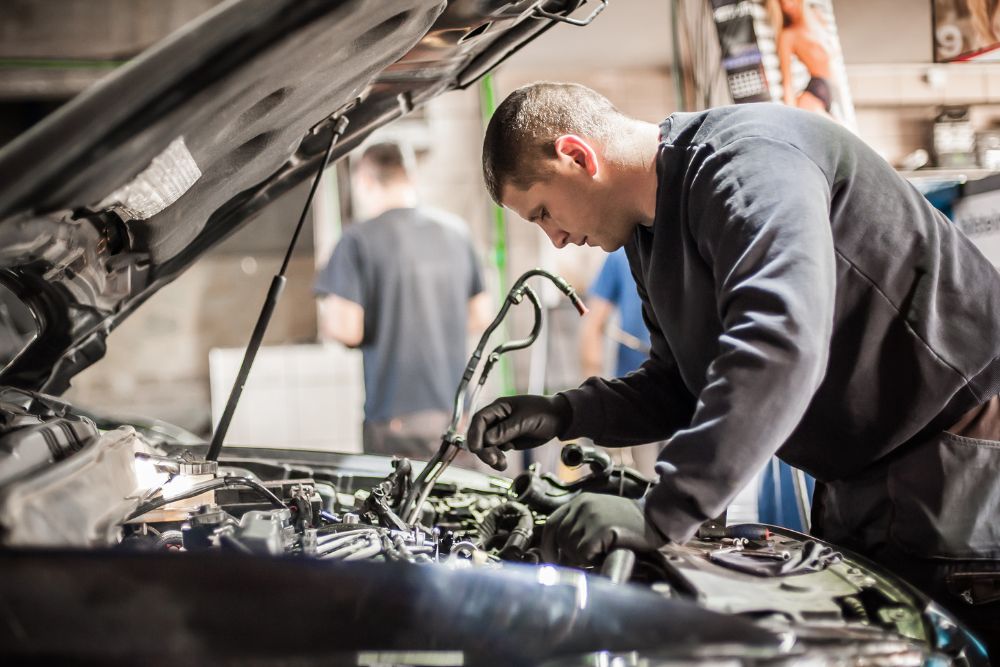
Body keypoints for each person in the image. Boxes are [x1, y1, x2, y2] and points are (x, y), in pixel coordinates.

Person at [468, 82, 1000, 651]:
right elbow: (679, 384)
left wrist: (662, 514)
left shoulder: (746, 162)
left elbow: (781, 341)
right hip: (865, 480)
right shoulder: (648, 236)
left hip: (955, 463)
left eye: (544, 211)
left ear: (577, 155)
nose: (555, 237)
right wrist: (561, 412)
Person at [315, 142, 492, 461]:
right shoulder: (456, 233)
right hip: (456, 416)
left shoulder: (357, 240)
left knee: (397, 510)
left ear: (365, 181)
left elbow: (347, 330)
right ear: (409, 177)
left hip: (394, 418)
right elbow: (480, 315)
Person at [579, 248, 660, 476]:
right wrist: (591, 399)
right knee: (640, 481)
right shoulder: (622, 255)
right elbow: (592, 324)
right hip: (637, 392)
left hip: (685, 391)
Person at [769, 0, 836, 114]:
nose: (787, 6)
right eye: (782, 3)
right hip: (815, 94)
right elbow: (787, 84)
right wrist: (792, 115)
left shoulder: (817, 16)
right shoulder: (788, 36)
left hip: (832, 92)